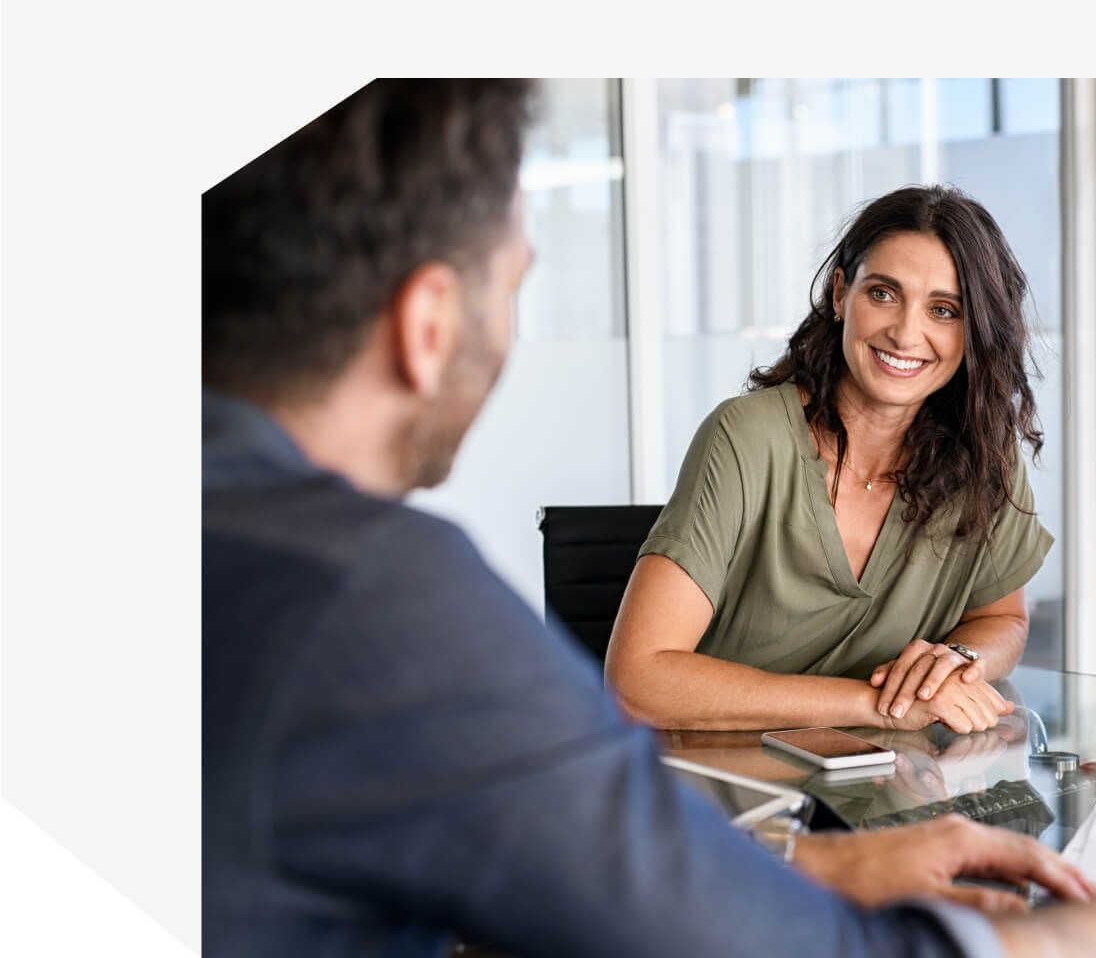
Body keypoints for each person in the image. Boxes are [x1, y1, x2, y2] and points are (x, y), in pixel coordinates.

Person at [203, 81, 1094, 958]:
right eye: (515, 286)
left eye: (945, 309)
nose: (907, 331)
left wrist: (840, 832)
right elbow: (700, 907)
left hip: (785, 833)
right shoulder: (385, 602)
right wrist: (1051, 938)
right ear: (428, 321)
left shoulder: (243, 537)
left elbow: (573, 863)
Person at [606, 186, 1052, 739]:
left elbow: (1001, 617)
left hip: (889, 781)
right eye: (883, 294)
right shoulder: (746, 438)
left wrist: (956, 662)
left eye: (944, 310)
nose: (905, 333)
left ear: (975, 329)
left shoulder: (985, 454)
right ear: (841, 294)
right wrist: (876, 704)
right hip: (719, 777)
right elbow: (637, 681)